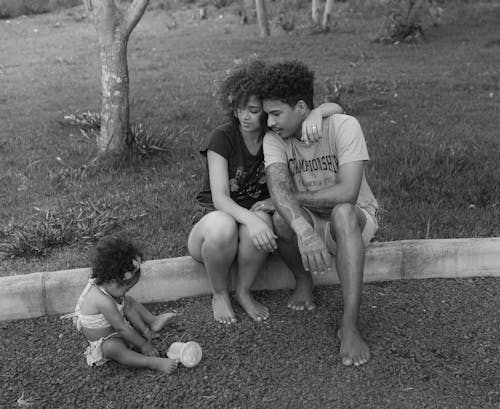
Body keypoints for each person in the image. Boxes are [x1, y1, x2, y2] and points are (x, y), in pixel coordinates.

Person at [188, 60, 344, 325]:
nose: (244, 116)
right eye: (239, 109)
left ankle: (244, 291)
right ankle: (219, 293)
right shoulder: (222, 138)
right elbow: (219, 198)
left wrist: (317, 113)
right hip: (214, 224)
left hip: (255, 220)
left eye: (253, 110)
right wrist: (248, 218)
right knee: (227, 225)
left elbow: (334, 109)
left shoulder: (276, 136)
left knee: (263, 220)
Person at [260, 61, 379, 366]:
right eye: (267, 114)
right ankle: (304, 280)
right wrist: (303, 231)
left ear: (301, 107)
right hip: (312, 218)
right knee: (279, 220)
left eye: (276, 113)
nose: (270, 122)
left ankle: (350, 326)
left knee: (341, 212)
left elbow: (347, 194)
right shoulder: (274, 139)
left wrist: (291, 197)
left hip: (353, 219)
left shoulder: (343, 125)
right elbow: (276, 185)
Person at [62, 235, 180, 373]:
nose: (126, 292)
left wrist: (144, 332)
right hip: (107, 339)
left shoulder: (108, 286)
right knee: (113, 349)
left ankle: (152, 323)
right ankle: (151, 362)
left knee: (128, 302)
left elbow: (124, 312)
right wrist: (143, 345)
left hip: (118, 328)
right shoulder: (103, 301)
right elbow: (122, 328)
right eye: (126, 288)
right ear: (112, 280)